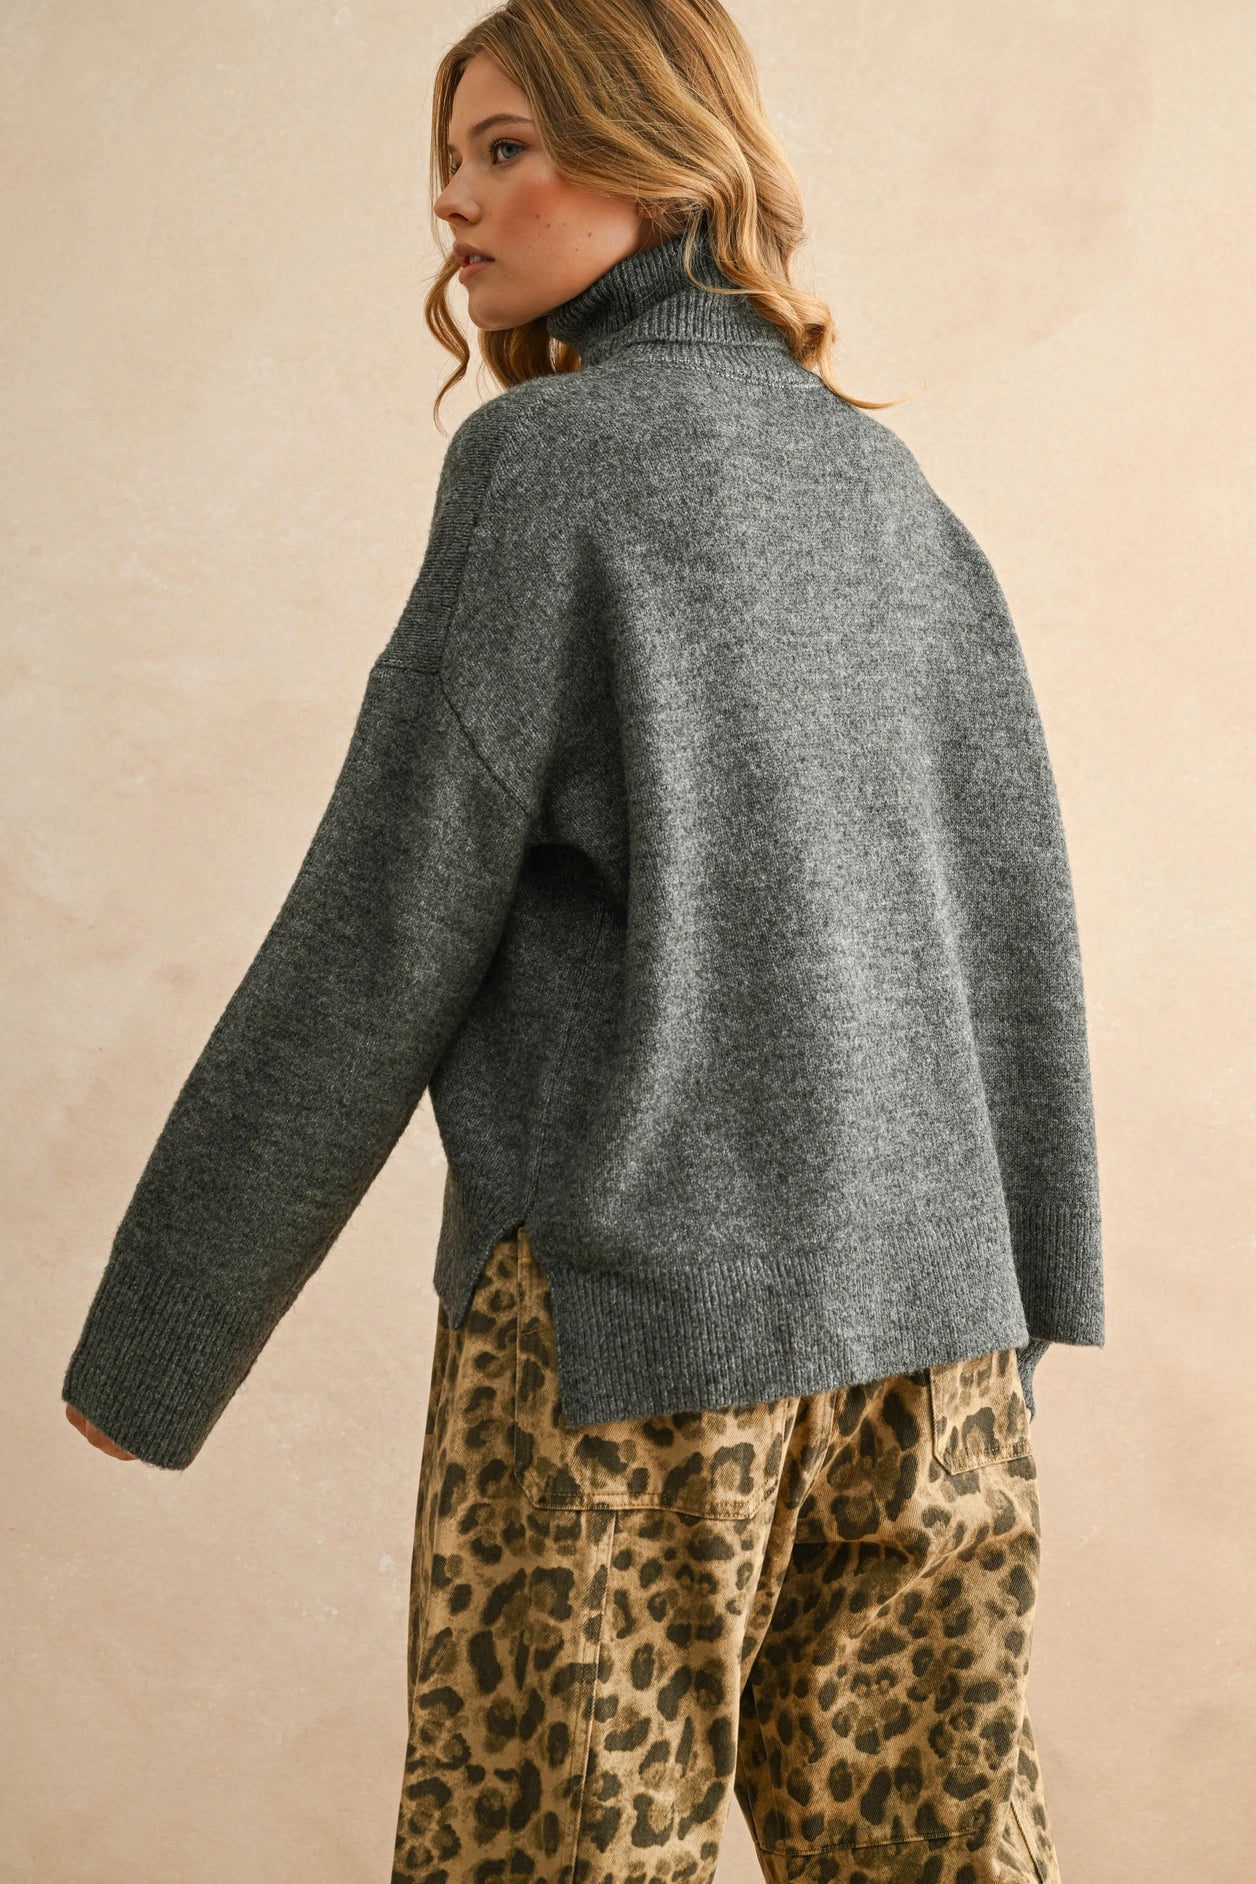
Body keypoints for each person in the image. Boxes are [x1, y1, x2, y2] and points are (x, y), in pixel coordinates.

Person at [63, 2, 1103, 1878]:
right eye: (450, 160)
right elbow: (1013, 917)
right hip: (933, 1356)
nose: (453, 206)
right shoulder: (890, 488)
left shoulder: (544, 467)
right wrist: (1030, 1296)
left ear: (658, 154)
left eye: (504, 149)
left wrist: (157, 1343)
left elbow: (380, 929)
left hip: (637, 1342)